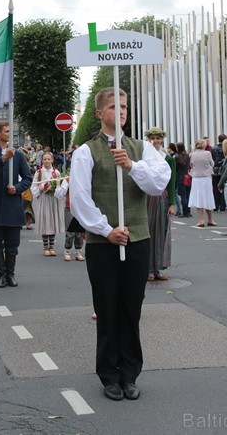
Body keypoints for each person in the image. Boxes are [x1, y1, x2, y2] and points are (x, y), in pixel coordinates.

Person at [70, 87, 170, 402]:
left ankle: (130, 373)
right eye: (114, 107)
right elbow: (79, 199)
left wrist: (130, 166)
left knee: (131, 308)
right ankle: (109, 375)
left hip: (138, 239)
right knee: (107, 309)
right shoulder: (86, 151)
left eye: (124, 106)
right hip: (103, 243)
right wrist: (106, 229)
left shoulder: (143, 149)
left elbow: (157, 184)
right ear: (100, 113)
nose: (121, 111)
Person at [0, 121, 33, 288]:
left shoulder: (18, 155)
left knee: (12, 245)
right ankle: (1, 275)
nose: (10, 134)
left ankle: (10, 274)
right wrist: (3, 158)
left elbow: (27, 178)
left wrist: (17, 188)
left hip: (12, 206)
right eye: (6, 131)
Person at [145, 127, 176, 281]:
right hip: (148, 196)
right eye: (153, 138)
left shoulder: (168, 158)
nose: (155, 141)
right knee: (148, 231)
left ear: (162, 139)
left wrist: (172, 203)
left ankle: (158, 268)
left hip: (162, 196)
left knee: (161, 232)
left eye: (158, 138)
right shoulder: (145, 156)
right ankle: (148, 269)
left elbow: (172, 182)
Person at [31, 152, 65, 256]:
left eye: (48, 159)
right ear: (42, 160)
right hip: (44, 198)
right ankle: (45, 247)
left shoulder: (56, 173)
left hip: (53, 199)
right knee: (45, 222)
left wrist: (56, 188)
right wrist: (39, 188)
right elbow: (33, 187)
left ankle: (52, 247)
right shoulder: (39, 173)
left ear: (52, 160)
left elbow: (62, 186)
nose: (46, 161)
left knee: (53, 221)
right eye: (44, 159)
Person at [55, 175, 84, 262]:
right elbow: (59, 195)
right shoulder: (67, 180)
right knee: (70, 231)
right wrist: (57, 184)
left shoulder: (84, 179)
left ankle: (78, 251)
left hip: (81, 208)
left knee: (79, 231)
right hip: (69, 208)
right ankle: (67, 251)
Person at [188, 139, 216, 227]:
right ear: (204, 145)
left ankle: (201, 220)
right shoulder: (208, 153)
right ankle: (210, 219)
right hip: (206, 177)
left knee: (198, 198)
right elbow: (212, 163)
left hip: (196, 178)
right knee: (208, 197)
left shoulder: (192, 154)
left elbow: (191, 165)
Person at [175, 142, 191, 218]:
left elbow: (176, 168)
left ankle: (185, 212)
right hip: (187, 177)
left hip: (180, 178)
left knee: (183, 196)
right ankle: (188, 211)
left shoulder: (177, 157)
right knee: (187, 195)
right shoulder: (187, 156)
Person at [211, 134, 226, 212]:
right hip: (224, 170)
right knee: (223, 187)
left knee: (215, 188)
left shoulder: (213, 148)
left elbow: (212, 159)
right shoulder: (226, 148)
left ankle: (216, 206)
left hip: (215, 170)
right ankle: (223, 205)